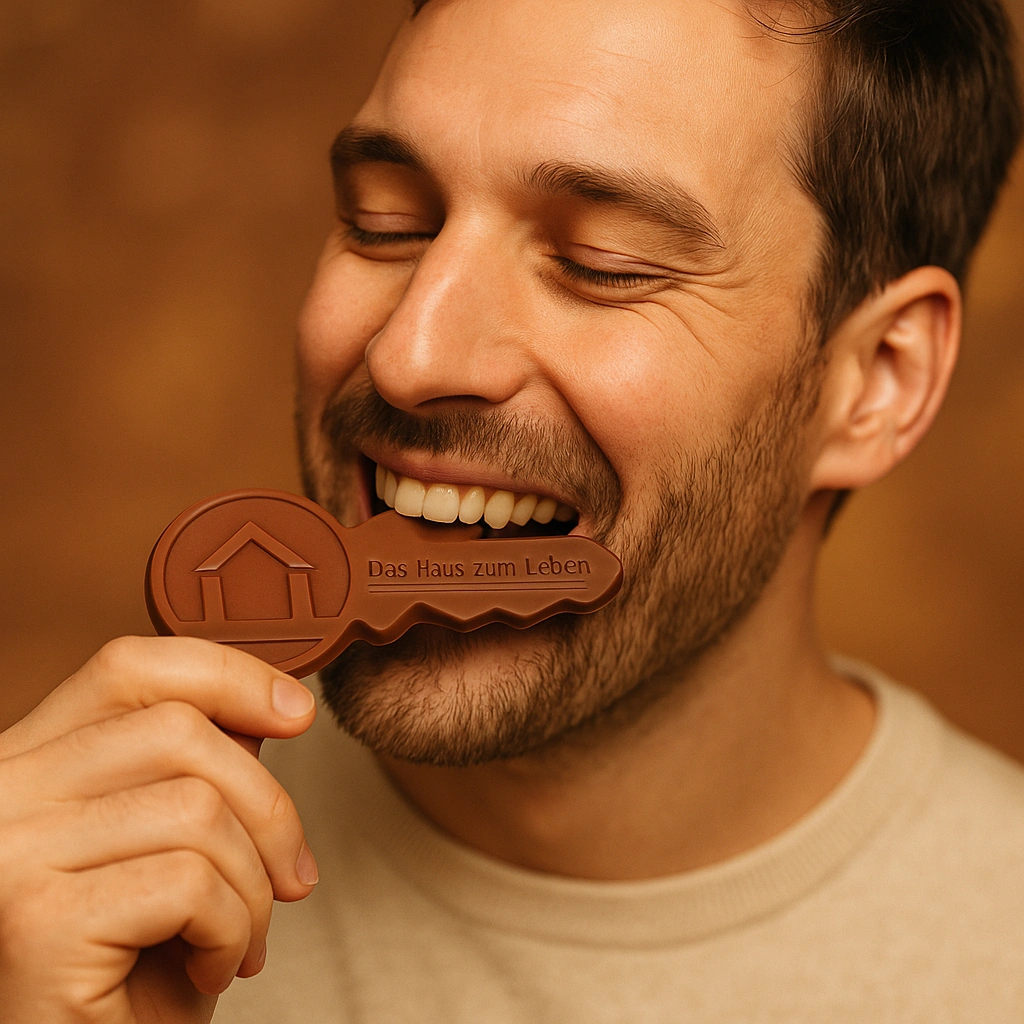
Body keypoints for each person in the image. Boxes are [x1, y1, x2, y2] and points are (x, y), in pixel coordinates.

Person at [2, 0, 1022, 1020]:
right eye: (383, 223)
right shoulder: (45, 904)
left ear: (875, 379)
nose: (409, 354)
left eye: (602, 264)